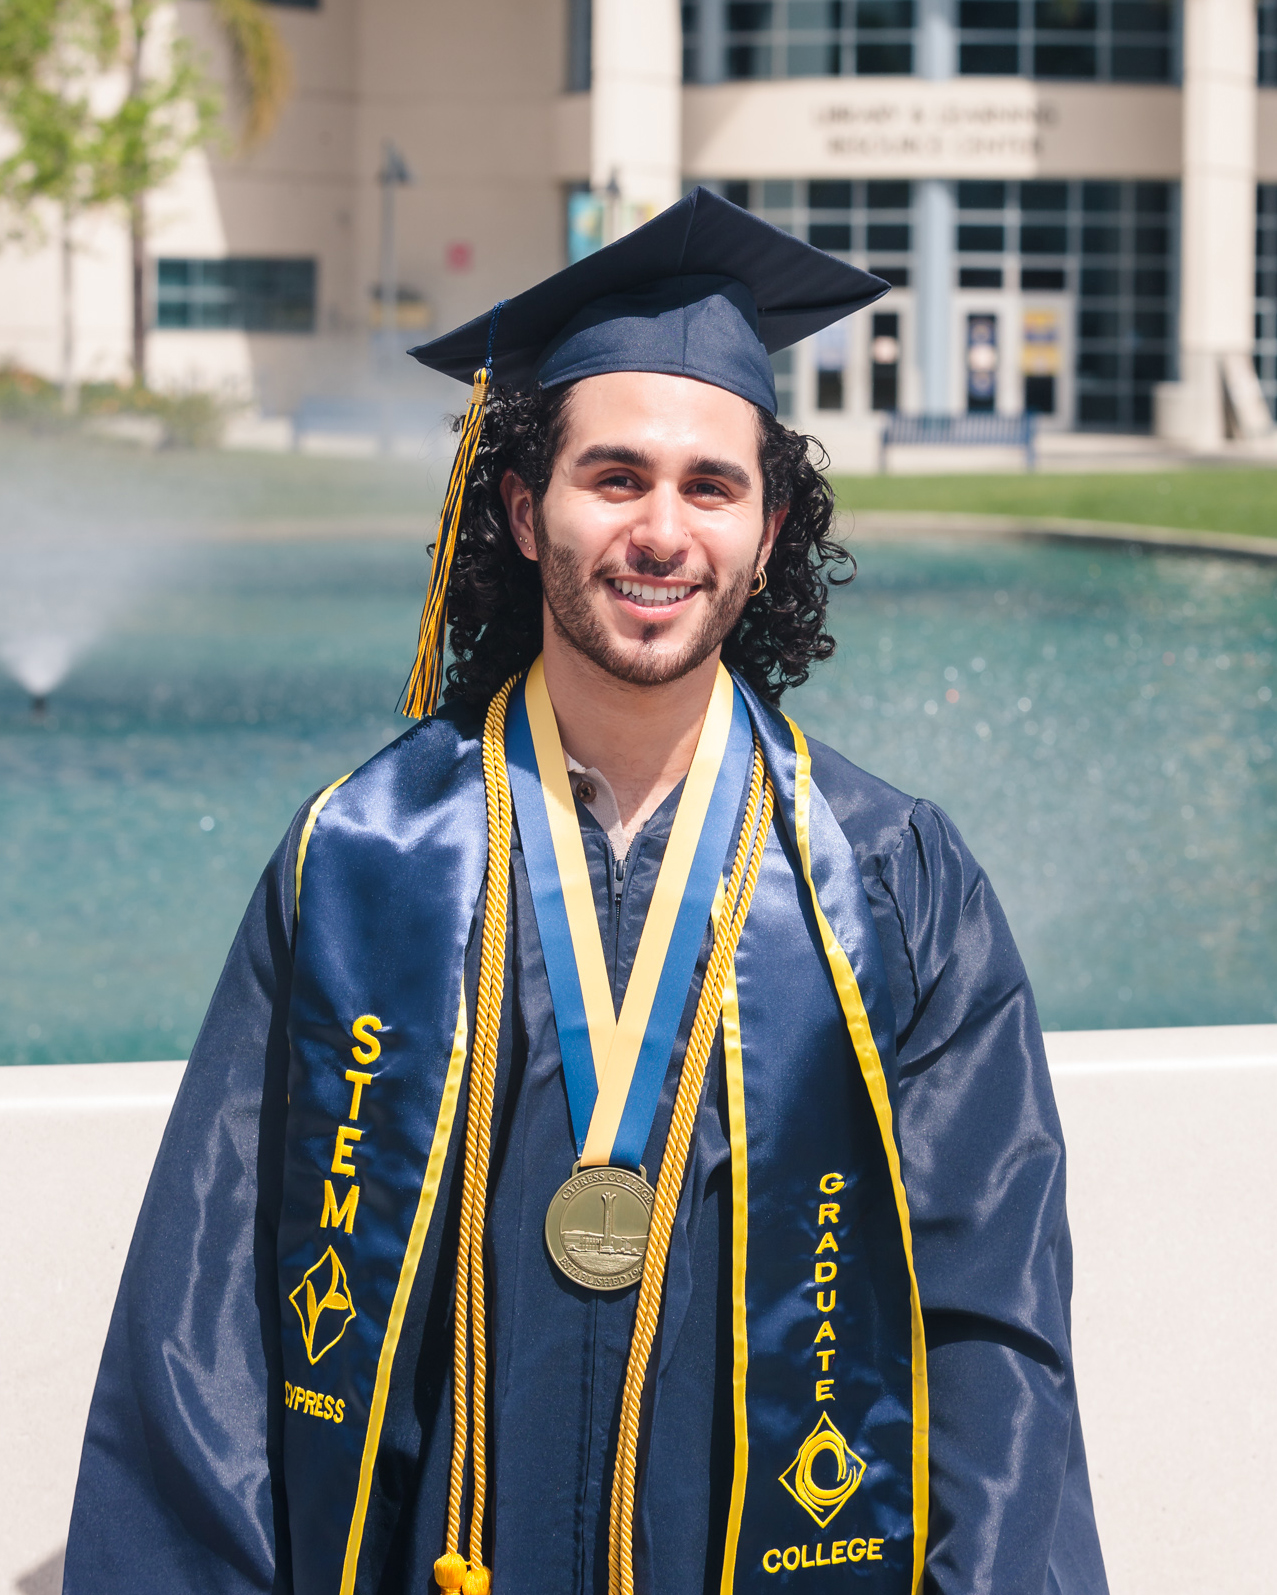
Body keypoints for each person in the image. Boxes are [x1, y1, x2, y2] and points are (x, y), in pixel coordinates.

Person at [64, 189, 1107, 1595]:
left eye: (709, 486)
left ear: (768, 524)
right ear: (521, 506)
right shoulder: (366, 860)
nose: (660, 531)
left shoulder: (890, 884)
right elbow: (211, 1333)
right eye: (613, 478)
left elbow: (990, 1332)